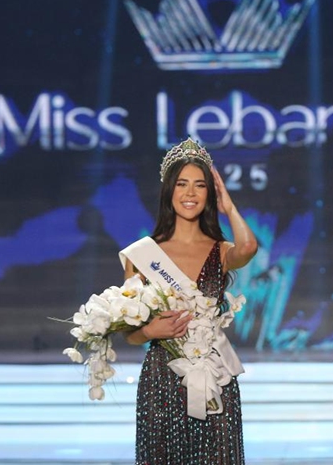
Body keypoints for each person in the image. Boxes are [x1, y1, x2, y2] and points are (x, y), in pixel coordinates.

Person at [121, 138, 258, 465]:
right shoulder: (142, 255)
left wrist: (229, 206)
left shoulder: (221, 250)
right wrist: (151, 331)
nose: (191, 193)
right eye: (182, 184)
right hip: (162, 381)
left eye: (200, 185)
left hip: (215, 377)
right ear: (169, 191)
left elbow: (249, 247)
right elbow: (130, 332)